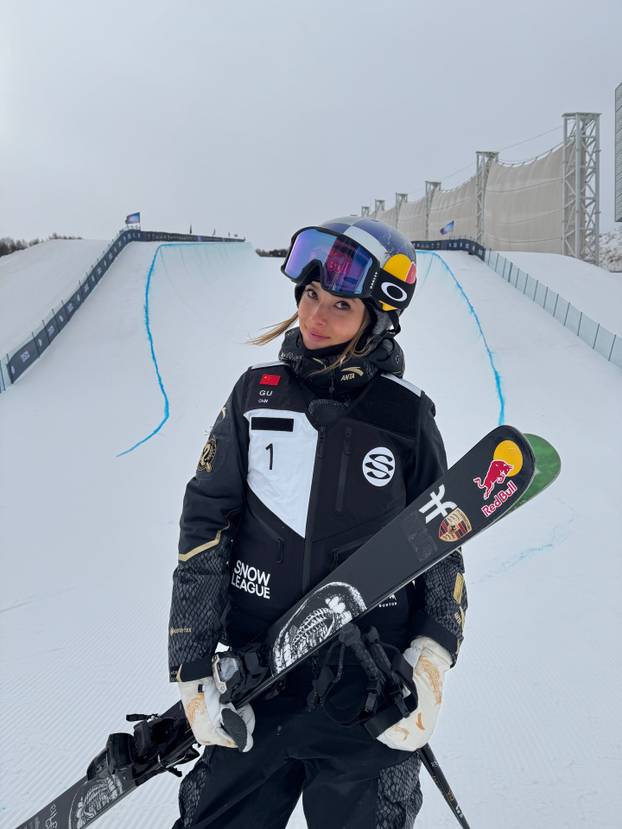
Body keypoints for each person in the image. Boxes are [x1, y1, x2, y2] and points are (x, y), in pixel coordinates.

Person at [168, 216, 468, 829]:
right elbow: (205, 526)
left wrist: (433, 655)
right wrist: (194, 664)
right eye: (309, 295)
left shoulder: (405, 416)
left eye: (340, 304)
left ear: (377, 316)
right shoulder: (256, 395)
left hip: (366, 693)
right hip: (256, 690)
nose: (316, 316)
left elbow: (443, 539)